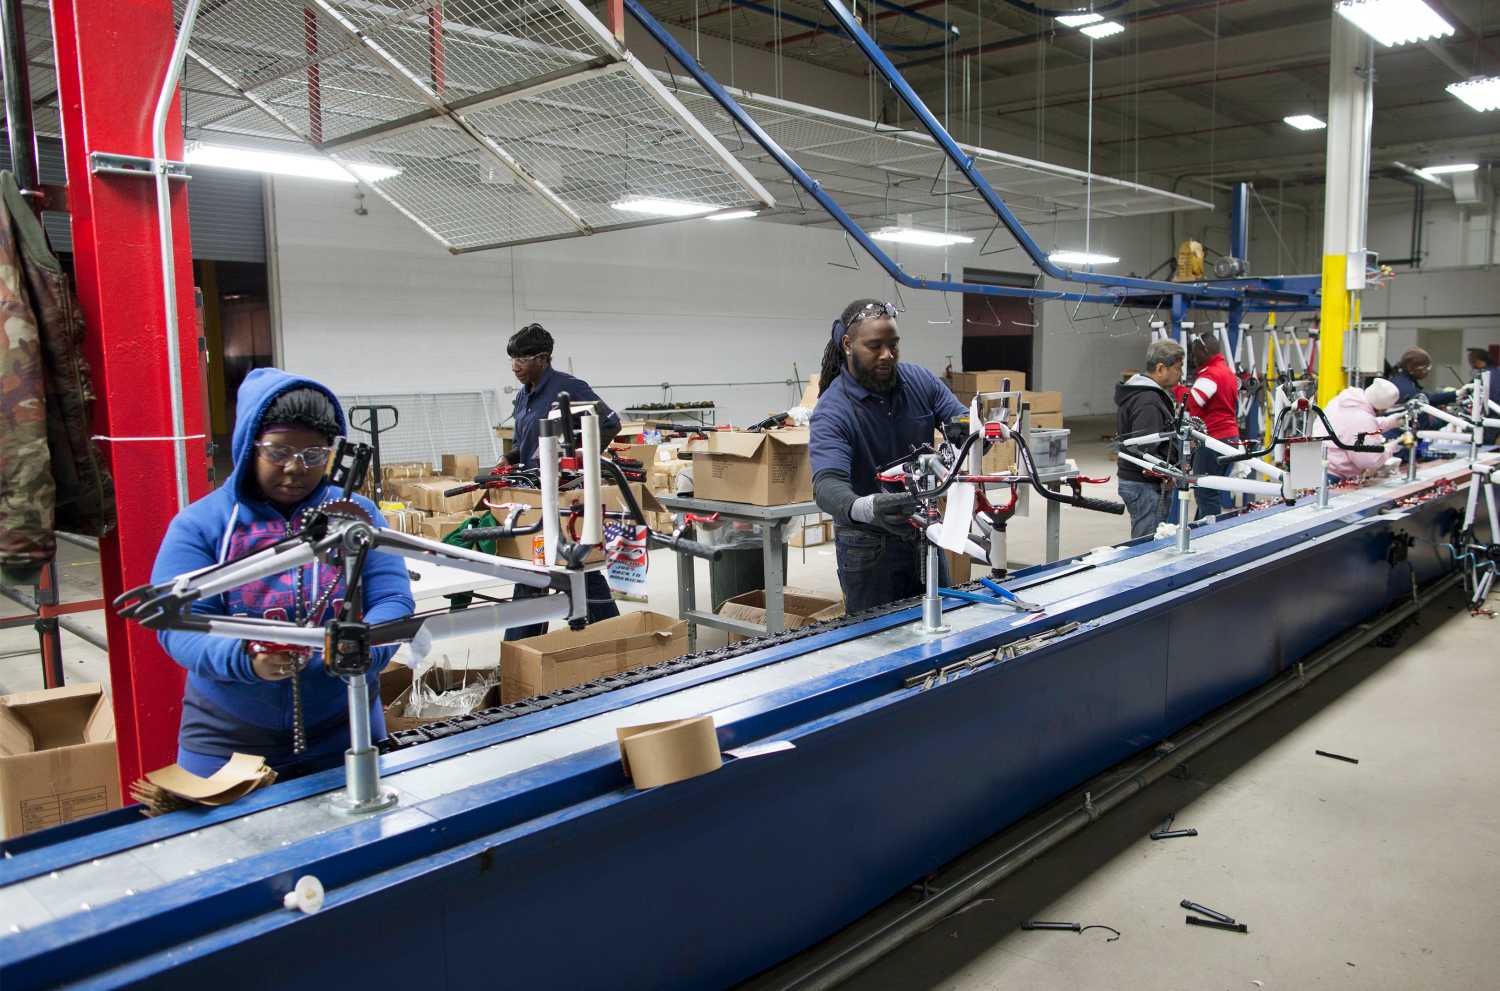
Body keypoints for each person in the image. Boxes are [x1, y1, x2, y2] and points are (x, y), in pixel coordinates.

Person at [151, 369, 414, 778]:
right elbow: (177, 626)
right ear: (248, 445)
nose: (295, 468)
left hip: (348, 727)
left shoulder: (355, 516)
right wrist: (246, 659)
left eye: (313, 456)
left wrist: (364, 650)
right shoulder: (202, 526)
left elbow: (392, 601)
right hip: (228, 740)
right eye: (278, 452)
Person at [810, 299, 967, 613]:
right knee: (878, 645)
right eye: (874, 346)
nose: (887, 355)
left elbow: (961, 420)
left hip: (924, 533)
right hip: (868, 546)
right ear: (848, 344)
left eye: (893, 345)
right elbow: (827, 485)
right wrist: (868, 507)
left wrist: (970, 434)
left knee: (945, 620)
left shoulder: (919, 381)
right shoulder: (833, 410)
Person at [503, 322, 622, 639]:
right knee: (572, 567)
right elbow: (525, 443)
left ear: (542, 358)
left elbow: (610, 424)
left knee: (544, 564)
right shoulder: (522, 396)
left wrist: (579, 462)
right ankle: (614, 633)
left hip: (564, 494)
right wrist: (509, 459)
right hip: (532, 492)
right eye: (512, 359)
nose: (515, 366)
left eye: (522, 359)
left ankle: (520, 647)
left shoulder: (569, 388)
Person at [1115, 339, 1184, 539]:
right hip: (1144, 485)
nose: (1179, 375)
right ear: (1161, 368)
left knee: (1147, 539)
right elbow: (1144, 447)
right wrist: (1164, 474)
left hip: (1138, 482)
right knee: (1147, 546)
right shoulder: (1148, 401)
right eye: (1177, 369)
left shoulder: (1141, 393)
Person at [1184, 332, 1241, 519]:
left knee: (1205, 492)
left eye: (1195, 353)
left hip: (1213, 440)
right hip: (1230, 439)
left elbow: (1194, 401)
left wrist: (1176, 390)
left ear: (1204, 350)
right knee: (1211, 489)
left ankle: (1209, 535)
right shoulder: (1227, 372)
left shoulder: (1211, 375)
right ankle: (1200, 529)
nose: (1193, 358)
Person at [1314, 378, 1403, 481]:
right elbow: (1369, 461)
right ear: (1382, 408)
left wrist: (1391, 422)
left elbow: (1356, 427)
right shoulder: (1362, 419)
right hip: (1330, 475)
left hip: (1317, 466)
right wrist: (1392, 446)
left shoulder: (1348, 399)